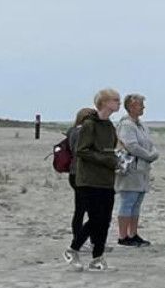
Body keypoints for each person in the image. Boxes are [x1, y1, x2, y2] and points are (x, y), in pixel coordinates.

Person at [66, 89, 122, 271]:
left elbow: (111, 149)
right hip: (88, 180)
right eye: (115, 100)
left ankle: (97, 258)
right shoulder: (89, 125)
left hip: (106, 179)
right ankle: (73, 249)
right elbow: (82, 150)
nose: (119, 103)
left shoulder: (109, 126)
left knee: (104, 220)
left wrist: (117, 160)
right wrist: (106, 159)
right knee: (95, 218)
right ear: (104, 102)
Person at [114, 94, 158, 247]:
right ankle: (123, 235)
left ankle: (133, 233)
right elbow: (131, 145)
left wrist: (152, 153)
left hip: (142, 169)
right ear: (131, 106)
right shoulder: (126, 125)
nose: (143, 107)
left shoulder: (141, 125)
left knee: (137, 202)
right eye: (140, 105)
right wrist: (149, 155)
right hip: (131, 170)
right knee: (128, 201)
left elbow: (148, 142)